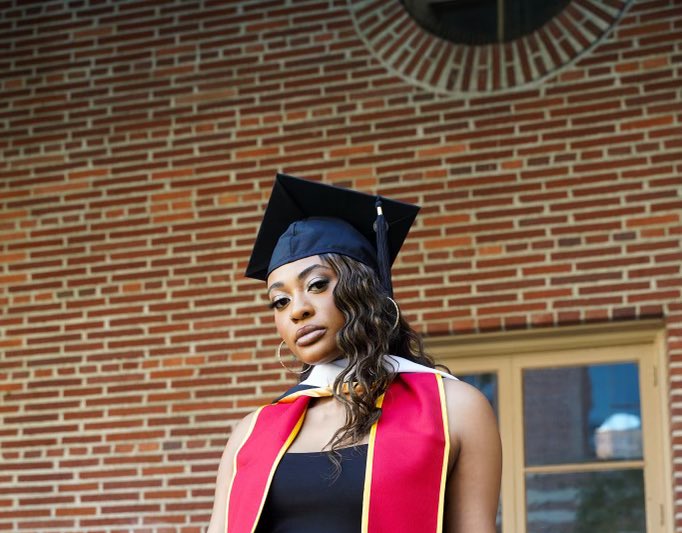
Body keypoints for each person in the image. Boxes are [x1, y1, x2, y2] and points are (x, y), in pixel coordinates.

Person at [207, 174, 501, 533]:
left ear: (365, 289)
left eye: (317, 284)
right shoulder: (251, 432)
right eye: (280, 301)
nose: (297, 310)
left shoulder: (454, 409)